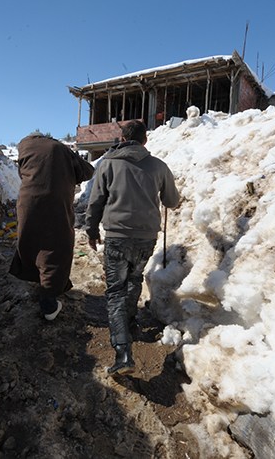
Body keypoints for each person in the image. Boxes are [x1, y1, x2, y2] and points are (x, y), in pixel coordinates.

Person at [84, 120, 180, 375]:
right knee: (134, 278)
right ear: (145, 140)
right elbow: (172, 201)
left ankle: (123, 352)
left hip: (117, 236)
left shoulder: (108, 164)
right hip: (146, 237)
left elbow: (95, 202)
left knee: (115, 291)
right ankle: (129, 322)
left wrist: (92, 231)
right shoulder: (159, 166)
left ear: (122, 138)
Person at [9, 132, 95, 321]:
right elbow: (87, 171)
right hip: (55, 205)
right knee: (55, 248)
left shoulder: (24, 148)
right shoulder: (60, 149)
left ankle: (38, 280)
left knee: (31, 241)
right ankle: (48, 303)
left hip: (27, 204)